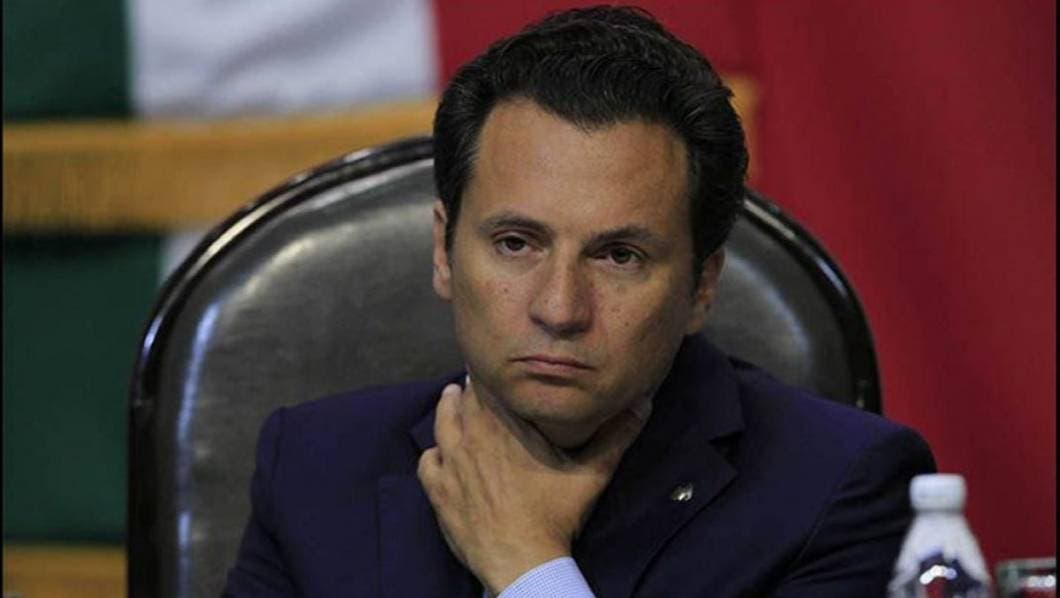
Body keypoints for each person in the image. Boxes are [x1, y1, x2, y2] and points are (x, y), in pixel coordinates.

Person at [224, 6, 935, 597]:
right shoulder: (314, 468)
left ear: (702, 285)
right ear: (444, 251)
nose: (560, 309)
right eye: (515, 244)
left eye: (619, 256)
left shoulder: (841, 491)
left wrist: (529, 568)